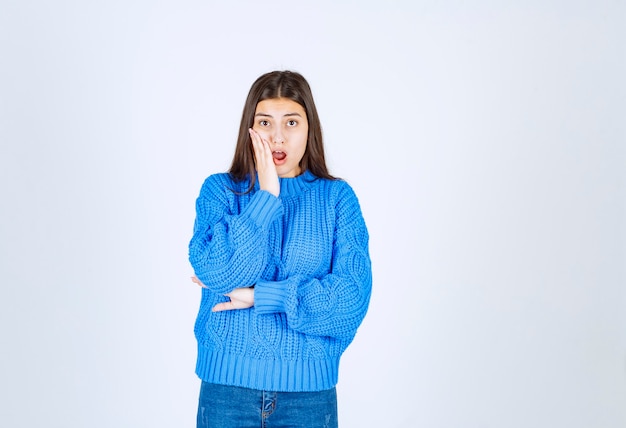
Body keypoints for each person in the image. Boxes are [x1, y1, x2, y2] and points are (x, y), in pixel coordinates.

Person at [188, 70, 372, 428]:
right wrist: (266, 195)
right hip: (227, 392)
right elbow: (221, 272)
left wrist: (264, 296)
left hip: (308, 399)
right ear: (250, 129)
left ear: (309, 128)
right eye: (265, 123)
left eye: (291, 122)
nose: (277, 137)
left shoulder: (337, 199)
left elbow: (351, 300)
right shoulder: (220, 191)